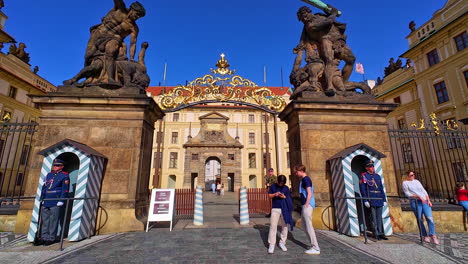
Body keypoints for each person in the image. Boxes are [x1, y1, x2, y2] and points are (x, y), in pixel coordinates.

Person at [64, 0, 146, 86]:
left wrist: (132, 58)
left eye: (139, 16)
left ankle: (110, 78)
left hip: (114, 38)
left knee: (110, 52)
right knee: (88, 56)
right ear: (132, 9)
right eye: (136, 14)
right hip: (98, 34)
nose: (137, 17)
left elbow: (133, 43)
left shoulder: (133, 28)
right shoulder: (120, 8)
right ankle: (84, 79)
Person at [36, 159, 70, 246]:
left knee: (53, 220)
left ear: (62, 167)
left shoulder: (64, 176)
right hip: (47, 200)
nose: (55, 167)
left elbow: (65, 189)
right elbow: (44, 187)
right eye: (54, 165)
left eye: (57, 165)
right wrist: (42, 198)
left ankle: (51, 238)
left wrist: (61, 200)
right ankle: (44, 237)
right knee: (45, 220)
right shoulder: (49, 175)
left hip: (56, 200)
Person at [402, 170, 439, 245]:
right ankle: (424, 235)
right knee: (420, 219)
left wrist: (428, 200)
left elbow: (423, 190)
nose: (413, 176)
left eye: (413, 175)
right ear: (407, 176)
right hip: (415, 202)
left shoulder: (417, 181)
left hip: (424, 201)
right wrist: (417, 196)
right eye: (411, 175)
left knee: (430, 218)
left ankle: (433, 235)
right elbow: (407, 193)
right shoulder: (405, 183)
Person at [294, 164, 320, 255]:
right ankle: (313, 245)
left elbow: (309, 192)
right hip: (305, 205)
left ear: (301, 171)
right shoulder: (303, 180)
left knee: (309, 226)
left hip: (307, 205)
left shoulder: (306, 179)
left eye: (296, 172)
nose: (296, 174)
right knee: (305, 226)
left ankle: (316, 247)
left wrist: (306, 204)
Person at [359, 160, 388, 241]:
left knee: (379, 217)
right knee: (373, 218)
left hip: (378, 198)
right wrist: (365, 200)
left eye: (372, 166)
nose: (372, 168)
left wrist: (383, 199)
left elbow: (381, 188)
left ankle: (380, 232)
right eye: (370, 167)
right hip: (371, 198)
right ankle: (375, 233)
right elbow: (363, 189)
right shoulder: (364, 176)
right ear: (366, 168)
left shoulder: (377, 176)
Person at [267, 175, 294, 254]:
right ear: (277, 181)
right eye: (280, 183)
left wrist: (284, 196)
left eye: (282, 183)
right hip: (275, 208)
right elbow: (269, 196)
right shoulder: (273, 186)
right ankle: (272, 244)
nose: (281, 184)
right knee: (273, 226)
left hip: (284, 209)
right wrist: (275, 194)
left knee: (284, 226)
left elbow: (289, 197)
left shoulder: (286, 188)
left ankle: (282, 242)